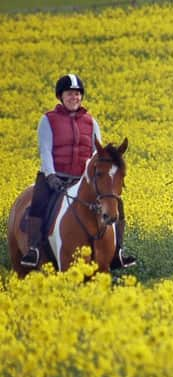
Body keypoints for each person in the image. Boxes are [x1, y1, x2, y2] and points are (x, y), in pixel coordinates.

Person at [21, 74, 136, 269]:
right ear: (60, 96)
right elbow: (45, 150)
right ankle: (34, 249)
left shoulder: (91, 122)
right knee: (39, 202)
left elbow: (96, 153)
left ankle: (118, 251)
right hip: (54, 177)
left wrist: (90, 177)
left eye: (77, 94)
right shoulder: (48, 120)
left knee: (116, 204)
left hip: (81, 178)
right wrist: (50, 176)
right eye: (69, 94)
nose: (73, 97)